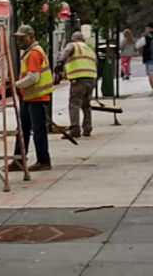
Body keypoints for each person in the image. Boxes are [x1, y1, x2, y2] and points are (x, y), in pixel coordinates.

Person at [11, 24, 53, 171]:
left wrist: (16, 85)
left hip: (37, 98)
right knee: (22, 129)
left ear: (31, 37)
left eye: (22, 38)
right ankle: (18, 160)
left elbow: (33, 78)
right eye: (18, 38)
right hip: (29, 98)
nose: (19, 41)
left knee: (38, 130)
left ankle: (43, 160)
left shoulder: (34, 53)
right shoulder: (30, 53)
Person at [55, 31, 97, 138]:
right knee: (86, 105)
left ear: (73, 39)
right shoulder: (89, 49)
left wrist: (60, 63)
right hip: (91, 78)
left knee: (74, 104)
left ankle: (75, 129)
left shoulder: (73, 45)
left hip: (79, 78)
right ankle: (87, 128)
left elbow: (66, 52)